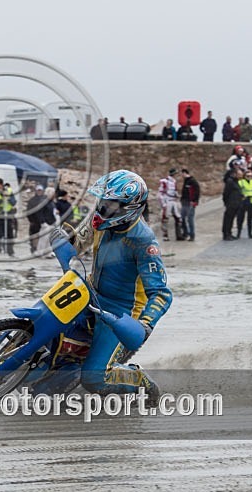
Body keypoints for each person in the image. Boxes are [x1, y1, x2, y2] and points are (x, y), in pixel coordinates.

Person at [55, 169, 171, 403]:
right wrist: (63, 241)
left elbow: (161, 294)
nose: (103, 207)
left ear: (129, 208)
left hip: (122, 314)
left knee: (94, 379)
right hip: (89, 293)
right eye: (102, 201)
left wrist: (145, 325)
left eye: (110, 204)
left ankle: (141, 381)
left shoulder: (144, 242)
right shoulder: (99, 219)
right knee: (50, 324)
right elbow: (78, 242)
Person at [27, 184, 54, 255]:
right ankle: (34, 249)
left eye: (40, 190)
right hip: (35, 221)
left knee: (43, 237)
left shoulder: (46, 200)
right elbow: (29, 211)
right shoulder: (32, 200)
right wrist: (31, 220)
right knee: (35, 236)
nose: (39, 192)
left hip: (44, 221)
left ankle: (43, 251)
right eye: (38, 190)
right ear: (36, 191)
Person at [157, 168, 180, 241]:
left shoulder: (174, 181)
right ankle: (165, 235)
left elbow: (175, 191)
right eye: (175, 174)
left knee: (178, 218)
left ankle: (179, 235)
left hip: (174, 201)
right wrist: (163, 204)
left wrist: (177, 196)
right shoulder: (164, 181)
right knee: (165, 219)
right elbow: (160, 193)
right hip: (167, 201)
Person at [237, 170, 252, 239]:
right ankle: (238, 233)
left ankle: (250, 233)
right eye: (248, 176)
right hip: (243, 201)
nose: (250, 177)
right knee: (240, 218)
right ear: (244, 176)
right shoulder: (241, 182)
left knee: (250, 218)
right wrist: (241, 195)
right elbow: (238, 190)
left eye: (251, 176)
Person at [222, 167, 243, 240]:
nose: (241, 176)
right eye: (239, 174)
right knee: (228, 219)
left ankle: (229, 233)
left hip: (236, 203)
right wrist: (226, 202)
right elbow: (226, 193)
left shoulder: (236, 181)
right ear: (235, 174)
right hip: (231, 203)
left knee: (231, 219)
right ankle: (226, 234)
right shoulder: (230, 182)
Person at [180, 169, 199, 241]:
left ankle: (192, 235)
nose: (181, 175)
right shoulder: (186, 181)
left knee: (190, 219)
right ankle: (185, 233)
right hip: (184, 202)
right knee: (182, 218)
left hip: (190, 202)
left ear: (185, 173)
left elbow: (197, 191)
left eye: (182, 174)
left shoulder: (192, 181)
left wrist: (194, 201)